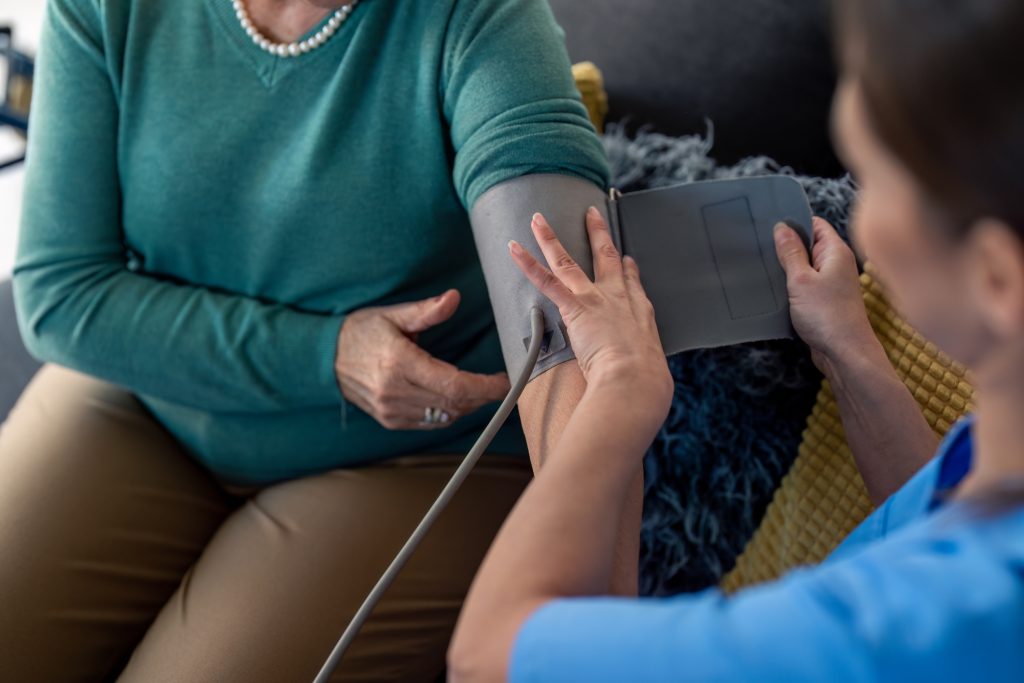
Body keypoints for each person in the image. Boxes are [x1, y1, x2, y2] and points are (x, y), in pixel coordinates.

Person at [0, 0, 615, 680]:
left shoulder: (483, 18)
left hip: (412, 451)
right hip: (152, 394)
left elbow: (568, 327)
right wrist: (326, 354)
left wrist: (597, 631)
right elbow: (61, 291)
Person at [449, 0, 1024, 680]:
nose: (861, 225)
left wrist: (619, 391)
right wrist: (849, 352)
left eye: (878, 184)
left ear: (995, 278)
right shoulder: (988, 487)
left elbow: (488, 653)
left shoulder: (885, 630)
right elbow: (935, 517)